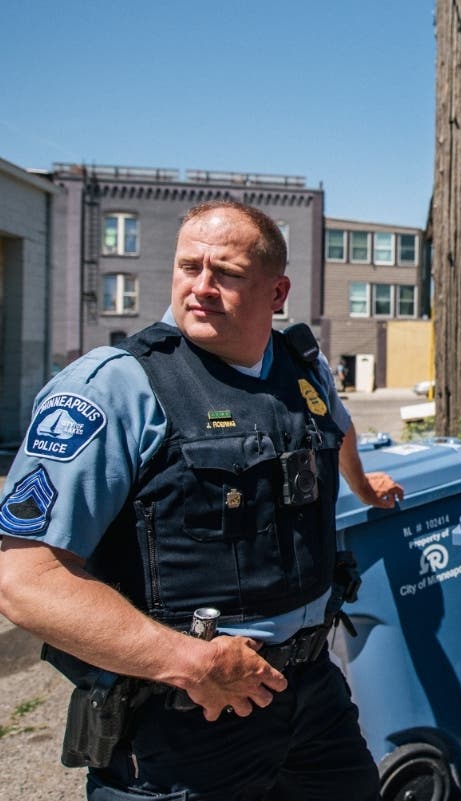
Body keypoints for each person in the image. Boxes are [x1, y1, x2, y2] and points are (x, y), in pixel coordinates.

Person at [0, 199, 404, 801]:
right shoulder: (115, 387)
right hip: (187, 718)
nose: (202, 288)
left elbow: (335, 426)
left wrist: (362, 484)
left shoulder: (300, 366)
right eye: (190, 267)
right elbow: (22, 577)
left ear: (277, 291)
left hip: (312, 696)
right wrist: (190, 664)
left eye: (228, 273)